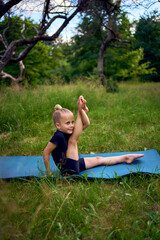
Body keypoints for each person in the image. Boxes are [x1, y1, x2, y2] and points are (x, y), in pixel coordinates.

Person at [43, 96, 144, 176]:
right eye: (68, 123)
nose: (72, 125)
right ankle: (79, 110)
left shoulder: (68, 131)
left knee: (99, 159)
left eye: (72, 122)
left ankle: (126, 158)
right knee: (73, 141)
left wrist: (82, 110)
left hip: (74, 163)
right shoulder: (58, 136)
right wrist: (49, 174)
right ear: (58, 125)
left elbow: (86, 124)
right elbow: (45, 152)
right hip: (68, 170)